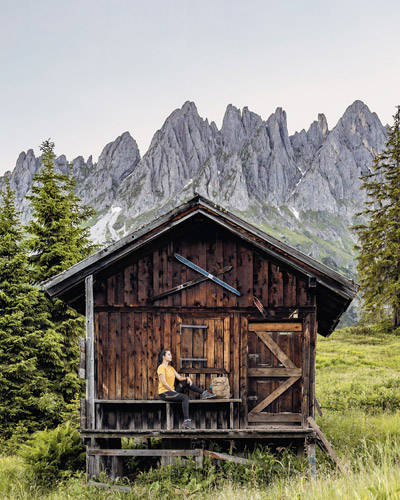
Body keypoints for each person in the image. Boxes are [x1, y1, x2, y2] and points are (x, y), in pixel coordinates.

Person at [157, 348, 216, 429]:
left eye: (170, 354)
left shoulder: (170, 368)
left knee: (186, 382)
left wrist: (187, 378)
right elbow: (163, 382)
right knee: (185, 397)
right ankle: (187, 422)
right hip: (164, 393)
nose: (171, 356)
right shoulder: (161, 367)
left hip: (172, 391)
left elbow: (180, 378)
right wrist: (173, 391)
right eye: (169, 354)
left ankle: (204, 393)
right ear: (164, 357)